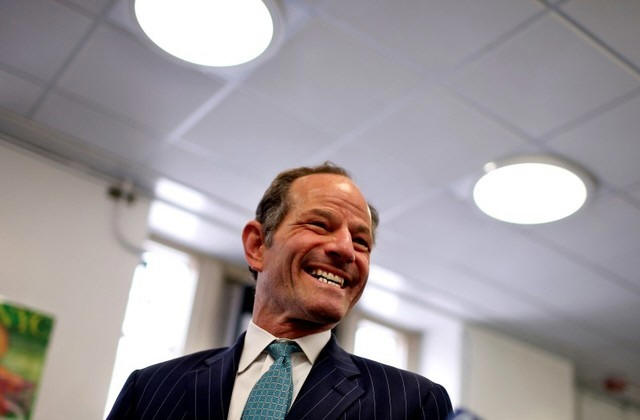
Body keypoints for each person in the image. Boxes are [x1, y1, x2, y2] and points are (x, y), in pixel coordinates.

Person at [107, 163, 452, 419]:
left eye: (361, 242)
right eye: (320, 225)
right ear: (257, 245)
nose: (346, 250)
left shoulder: (412, 403)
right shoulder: (151, 389)